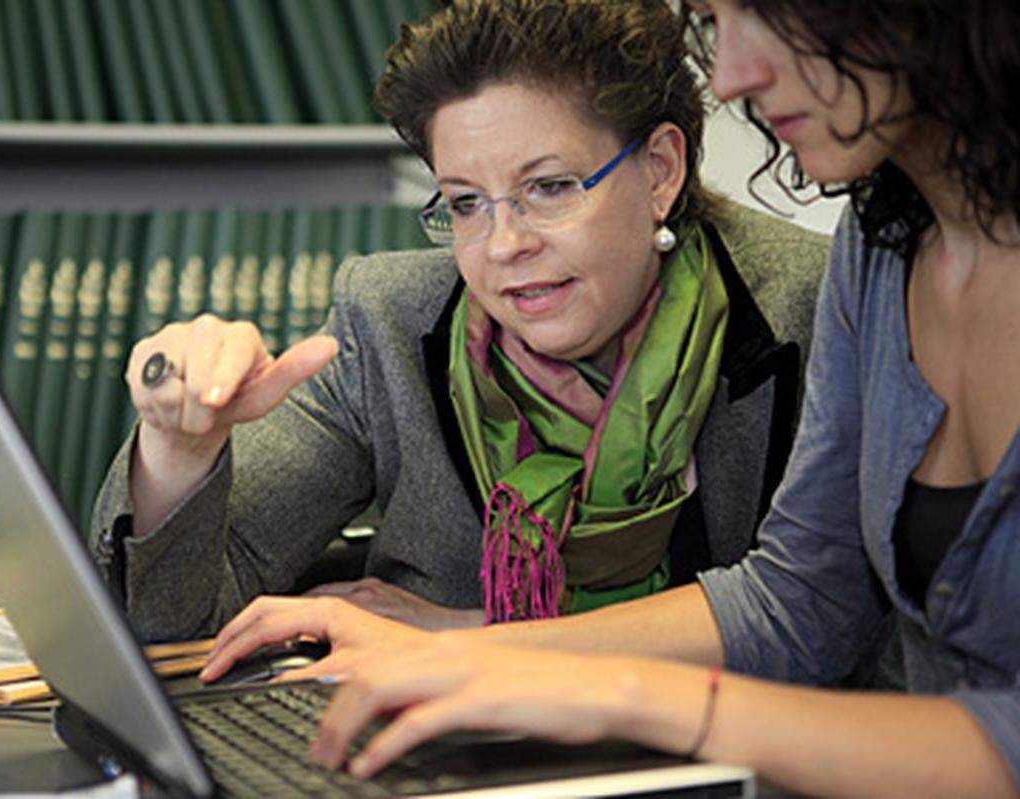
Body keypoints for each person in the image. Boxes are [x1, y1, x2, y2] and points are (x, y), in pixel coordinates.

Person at [202, 1, 1020, 796]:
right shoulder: (878, 254)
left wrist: (597, 686)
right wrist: (468, 646)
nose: (730, 75)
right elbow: (802, 601)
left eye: (551, 186)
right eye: (463, 202)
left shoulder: (807, 287)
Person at [90, 0, 830, 646]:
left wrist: (472, 637)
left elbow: (836, 628)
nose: (505, 246)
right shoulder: (386, 322)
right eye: (466, 202)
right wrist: (180, 449)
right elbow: (165, 623)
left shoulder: (814, 302)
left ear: (661, 171)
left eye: (549, 187)